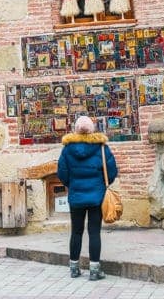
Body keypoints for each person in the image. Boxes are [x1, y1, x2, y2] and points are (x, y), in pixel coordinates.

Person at [57, 115, 118, 281]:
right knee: (94, 232)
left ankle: (74, 268)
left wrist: (72, 184)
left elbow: (62, 173)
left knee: (76, 232)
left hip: (76, 197)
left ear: (76, 129)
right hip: (96, 197)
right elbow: (112, 172)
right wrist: (100, 185)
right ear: (92, 129)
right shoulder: (101, 148)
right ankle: (94, 270)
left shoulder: (67, 149)